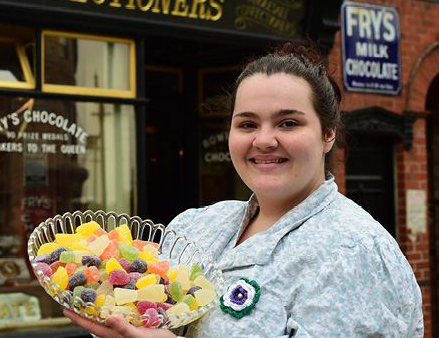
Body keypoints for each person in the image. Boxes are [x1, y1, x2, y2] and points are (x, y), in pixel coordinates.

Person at [63, 40, 424, 337]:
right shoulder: (193, 227)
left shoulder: (355, 253)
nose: (264, 140)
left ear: (328, 133)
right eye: (247, 124)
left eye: (288, 122)